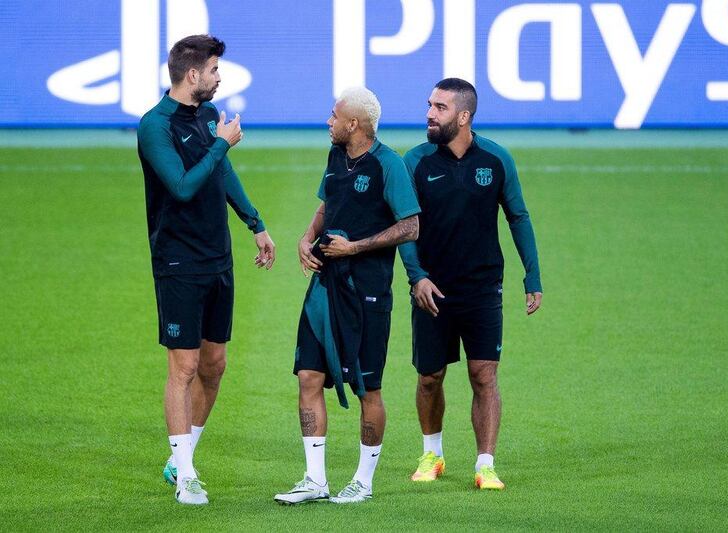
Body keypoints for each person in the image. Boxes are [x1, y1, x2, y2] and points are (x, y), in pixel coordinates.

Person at [137, 34, 275, 505]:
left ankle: (181, 458)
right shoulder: (154, 127)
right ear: (192, 74)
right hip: (178, 261)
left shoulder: (209, 116)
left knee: (214, 366)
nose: (220, 78)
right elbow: (180, 187)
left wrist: (255, 222)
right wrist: (220, 146)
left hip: (218, 258)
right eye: (215, 70)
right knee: (185, 365)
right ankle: (188, 475)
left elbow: (220, 174)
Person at [274, 87, 420, 505]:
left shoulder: (388, 165)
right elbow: (327, 203)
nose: (328, 121)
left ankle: (363, 480)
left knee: (367, 388)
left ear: (353, 123)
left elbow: (410, 226)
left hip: (368, 292)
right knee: (308, 375)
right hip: (324, 286)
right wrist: (307, 237)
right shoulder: (336, 156)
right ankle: (315, 479)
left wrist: (355, 248)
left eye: (334, 115)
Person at [399, 78, 542, 490]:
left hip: (482, 289)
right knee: (430, 377)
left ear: (463, 116)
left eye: (440, 107)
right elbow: (406, 227)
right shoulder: (416, 161)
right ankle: (433, 454)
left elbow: (518, 216)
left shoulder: (496, 160)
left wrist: (531, 275)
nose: (429, 113)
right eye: (429, 104)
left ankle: (485, 463)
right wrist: (417, 276)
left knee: (484, 374)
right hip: (431, 289)